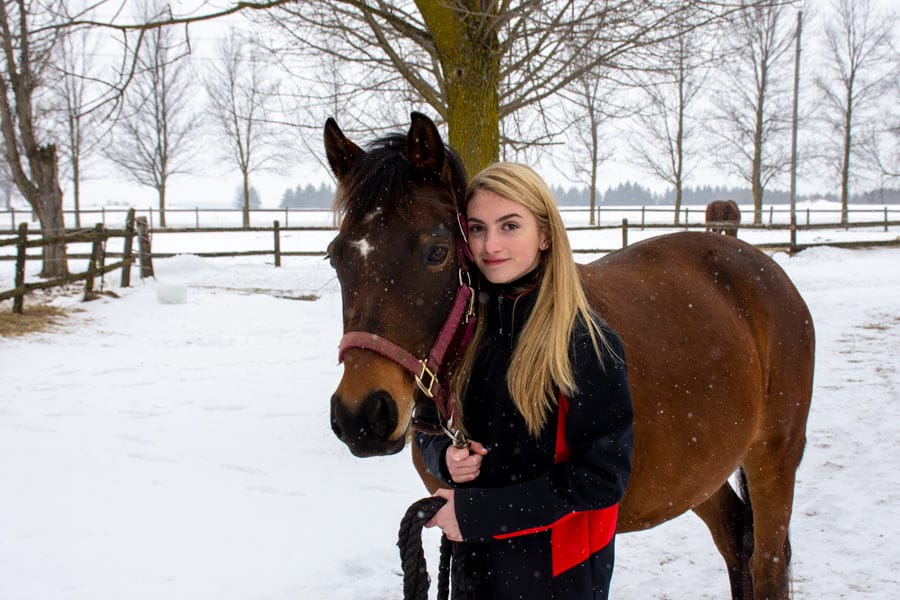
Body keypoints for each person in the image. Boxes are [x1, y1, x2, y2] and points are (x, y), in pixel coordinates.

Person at [415, 162, 634, 599]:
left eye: (509, 225)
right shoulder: (461, 337)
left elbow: (602, 478)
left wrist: (481, 514)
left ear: (546, 234)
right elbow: (424, 422)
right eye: (477, 229)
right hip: (475, 565)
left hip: (557, 576)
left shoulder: (586, 344)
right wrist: (444, 456)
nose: (490, 245)